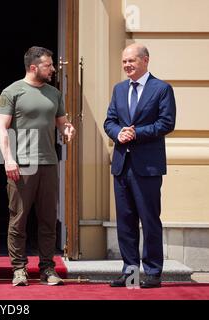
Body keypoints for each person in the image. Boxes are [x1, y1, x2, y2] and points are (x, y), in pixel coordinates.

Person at [0, 46, 76, 286]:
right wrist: (9, 159)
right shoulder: (12, 92)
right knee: (18, 219)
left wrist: (67, 128)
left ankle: (47, 269)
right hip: (21, 165)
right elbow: (1, 128)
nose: (53, 69)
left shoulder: (54, 93)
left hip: (49, 163)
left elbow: (61, 122)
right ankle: (19, 269)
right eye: (48, 65)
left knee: (48, 220)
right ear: (33, 67)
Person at [104, 43, 176, 288]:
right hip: (122, 165)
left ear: (145, 60)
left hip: (147, 167)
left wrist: (136, 133)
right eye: (124, 61)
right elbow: (110, 121)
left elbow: (166, 123)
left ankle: (153, 273)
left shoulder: (162, 89)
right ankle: (130, 273)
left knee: (149, 219)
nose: (126, 65)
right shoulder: (119, 89)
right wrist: (118, 133)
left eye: (131, 61)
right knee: (125, 221)